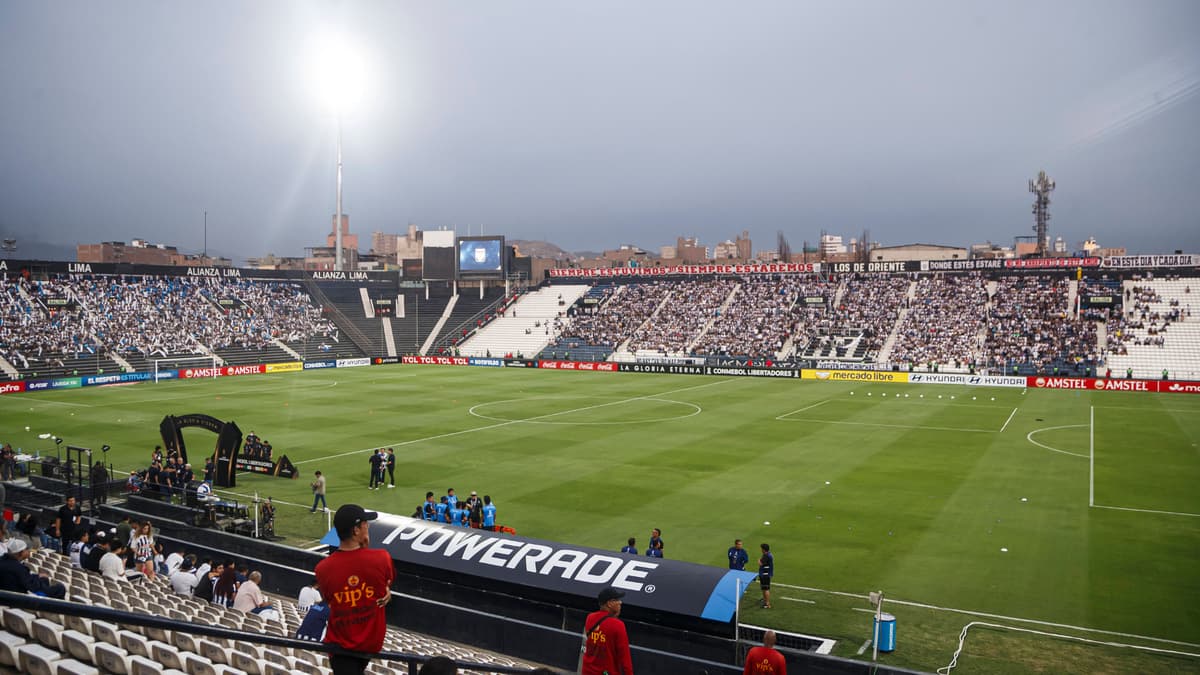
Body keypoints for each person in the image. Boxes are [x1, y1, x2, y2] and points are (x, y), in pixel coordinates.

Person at [315, 504, 394, 675]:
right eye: (365, 524)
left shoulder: (322, 569)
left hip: (339, 649)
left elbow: (330, 599)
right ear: (356, 530)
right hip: (354, 649)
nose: (368, 527)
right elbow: (383, 583)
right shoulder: (381, 558)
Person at [581, 587, 633, 675]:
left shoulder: (590, 618)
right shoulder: (618, 625)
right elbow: (625, 659)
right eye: (617, 600)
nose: (620, 602)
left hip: (587, 671)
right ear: (609, 603)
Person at [0, 538, 67, 598]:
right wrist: (40, 579)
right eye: (26, 549)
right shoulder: (18, 568)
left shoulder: (3, 561)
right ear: (21, 552)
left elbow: (24, 578)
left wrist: (38, 576)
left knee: (43, 579)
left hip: (5, 595)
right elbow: (33, 587)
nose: (28, 551)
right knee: (60, 588)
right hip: (18, 599)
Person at [758, 543, 774, 609]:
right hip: (765, 574)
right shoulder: (769, 554)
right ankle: (765, 600)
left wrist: (759, 560)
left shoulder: (766, 556)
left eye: (761, 548)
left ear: (764, 549)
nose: (761, 550)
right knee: (764, 588)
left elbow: (760, 563)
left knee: (766, 589)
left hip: (765, 575)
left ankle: (767, 603)